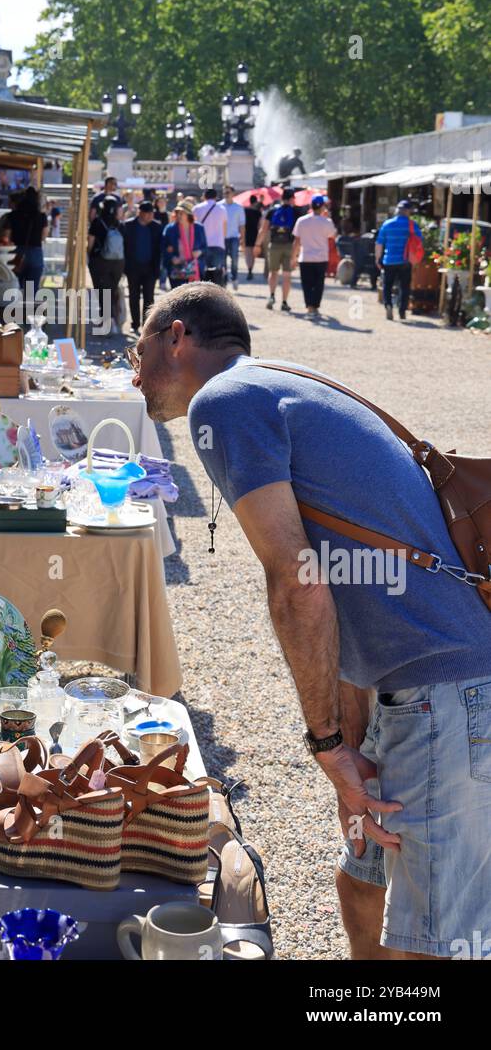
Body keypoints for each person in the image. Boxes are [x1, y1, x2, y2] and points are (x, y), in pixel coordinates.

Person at [128, 282, 491, 961]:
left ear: (177, 336)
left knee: (437, 943)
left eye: (136, 348)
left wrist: (324, 745)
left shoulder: (223, 402)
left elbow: (298, 585)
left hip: (445, 692)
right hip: (413, 688)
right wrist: (351, 737)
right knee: (363, 881)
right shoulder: (280, 383)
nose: (131, 370)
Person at [292, 195, 337, 319]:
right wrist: (327, 218)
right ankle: (315, 306)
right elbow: (333, 235)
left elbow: (296, 241)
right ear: (322, 207)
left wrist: (293, 257)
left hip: (305, 257)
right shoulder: (327, 221)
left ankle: (309, 307)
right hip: (321, 258)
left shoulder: (301, 220)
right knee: (318, 284)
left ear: (311, 206)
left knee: (307, 284)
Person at [88, 195, 125, 334]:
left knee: (102, 292)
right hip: (118, 262)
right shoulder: (119, 224)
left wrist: (89, 255)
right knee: (112, 290)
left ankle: (109, 322)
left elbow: (90, 241)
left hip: (99, 261)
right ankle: (113, 320)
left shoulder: (97, 222)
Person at [123, 200, 162, 333]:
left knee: (149, 297)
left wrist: (158, 269)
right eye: (149, 213)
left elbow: (159, 250)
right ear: (141, 213)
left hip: (150, 268)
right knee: (133, 296)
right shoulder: (128, 225)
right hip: (132, 267)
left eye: (152, 213)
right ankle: (134, 324)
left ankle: (146, 325)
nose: (151, 216)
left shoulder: (157, 227)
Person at [257, 186, 297, 311]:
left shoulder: (272, 211)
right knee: (286, 274)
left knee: (273, 272)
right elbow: (298, 234)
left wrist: (257, 245)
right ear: (291, 199)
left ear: (281, 198)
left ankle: (272, 296)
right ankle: (284, 302)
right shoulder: (296, 212)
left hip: (274, 245)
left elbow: (263, 230)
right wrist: (297, 253)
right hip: (289, 245)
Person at [375, 200, 416, 322]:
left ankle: (388, 305)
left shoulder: (387, 224)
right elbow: (419, 241)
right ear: (408, 211)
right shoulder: (412, 225)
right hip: (405, 260)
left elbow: (379, 243)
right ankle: (402, 310)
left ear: (397, 210)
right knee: (404, 286)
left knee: (387, 285)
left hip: (389, 260)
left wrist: (377, 258)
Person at [8, 186, 48, 292]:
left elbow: (7, 235)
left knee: (15, 288)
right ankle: (29, 307)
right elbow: (43, 237)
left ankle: (16, 308)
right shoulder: (41, 217)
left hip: (16, 253)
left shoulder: (13, 215)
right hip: (35, 254)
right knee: (31, 291)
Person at [162, 199, 206, 288]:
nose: (179, 215)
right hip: (176, 270)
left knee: (194, 298)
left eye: (182, 213)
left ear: (189, 214)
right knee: (179, 299)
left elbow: (205, 247)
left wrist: (200, 252)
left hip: (195, 269)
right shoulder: (170, 229)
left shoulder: (199, 228)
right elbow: (163, 248)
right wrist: (172, 258)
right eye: (177, 212)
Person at [193, 189, 227, 284]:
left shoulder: (196, 208)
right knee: (217, 273)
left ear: (204, 196)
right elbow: (224, 228)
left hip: (201, 245)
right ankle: (216, 294)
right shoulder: (222, 209)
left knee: (201, 272)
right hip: (218, 244)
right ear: (216, 197)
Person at [221, 185, 246, 290]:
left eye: (228, 192)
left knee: (235, 259)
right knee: (223, 261)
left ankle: (234, 277)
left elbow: (242, 225)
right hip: (222, 238)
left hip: (234, 237)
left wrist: (243, 238)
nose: (226, 194)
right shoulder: (219, 206)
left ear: (233, 193)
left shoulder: (238, 208)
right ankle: (224, 280)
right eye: (224, 192)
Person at [243, 195, 263, 280]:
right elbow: (260, 225)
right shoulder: (258, 212)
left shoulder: (245, 210)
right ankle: (251, 269)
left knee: (247, 253)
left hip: (246, 233)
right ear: (255, 201)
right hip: (255, 233)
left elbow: (242, 223)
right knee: (253, 253)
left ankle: (249, 269)